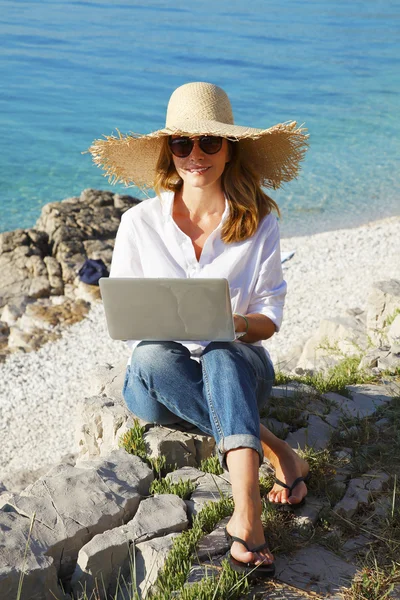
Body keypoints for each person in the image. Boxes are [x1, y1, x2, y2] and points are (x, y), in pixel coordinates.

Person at [88, 81, 310, 577]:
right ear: (170, 151)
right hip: (159, 380)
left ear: (230, 150)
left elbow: (270, 318)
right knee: (150, 357)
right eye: (182, 143)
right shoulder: (139, 223)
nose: (195, 155)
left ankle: (247, 517)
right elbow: (126, 319)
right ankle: (277, 450)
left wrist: (236, 324)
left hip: (240, 368)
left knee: (222, 352)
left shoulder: (259, 221)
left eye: (210, 142)